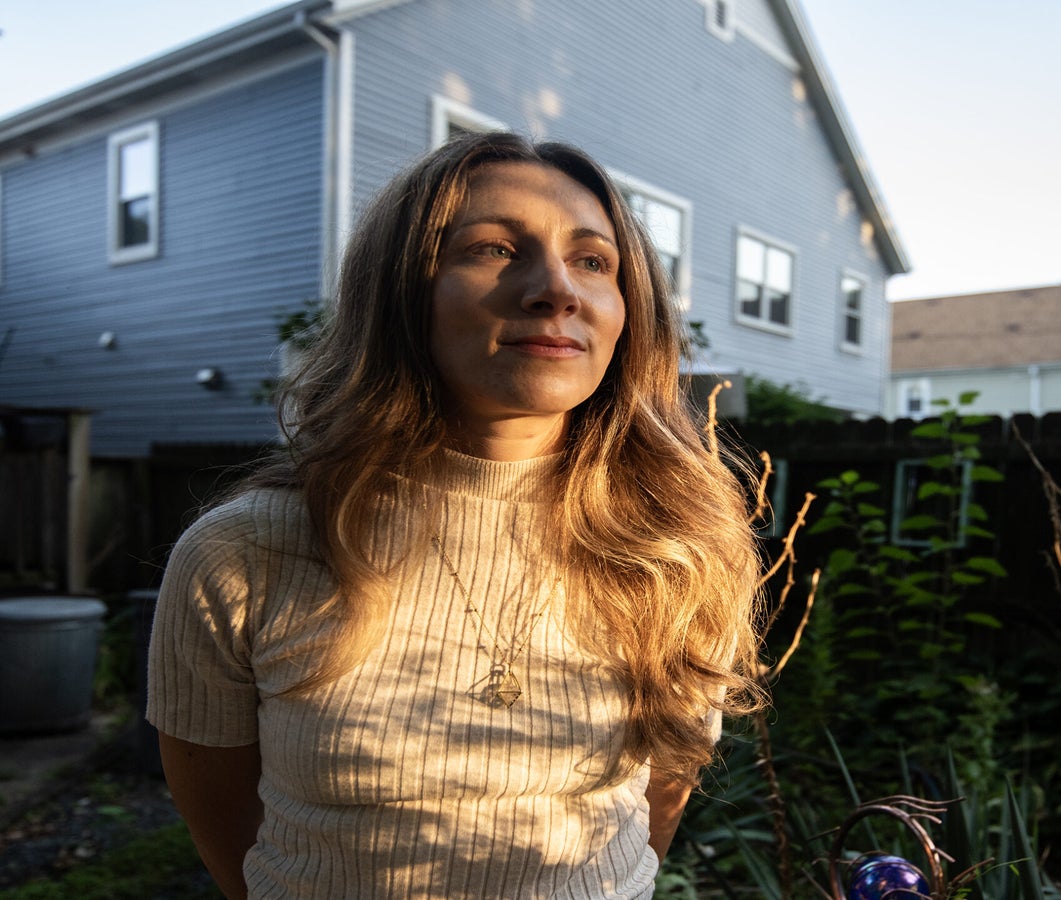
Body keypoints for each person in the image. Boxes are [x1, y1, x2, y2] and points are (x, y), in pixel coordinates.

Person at [147, 132, 765, 899]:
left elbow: (658, 802)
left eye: (593, 260)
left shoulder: (680, 547)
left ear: (626, 309)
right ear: (401, 294)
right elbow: (228, 832)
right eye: (494, 249)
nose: (555, 289)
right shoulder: (245, 554)